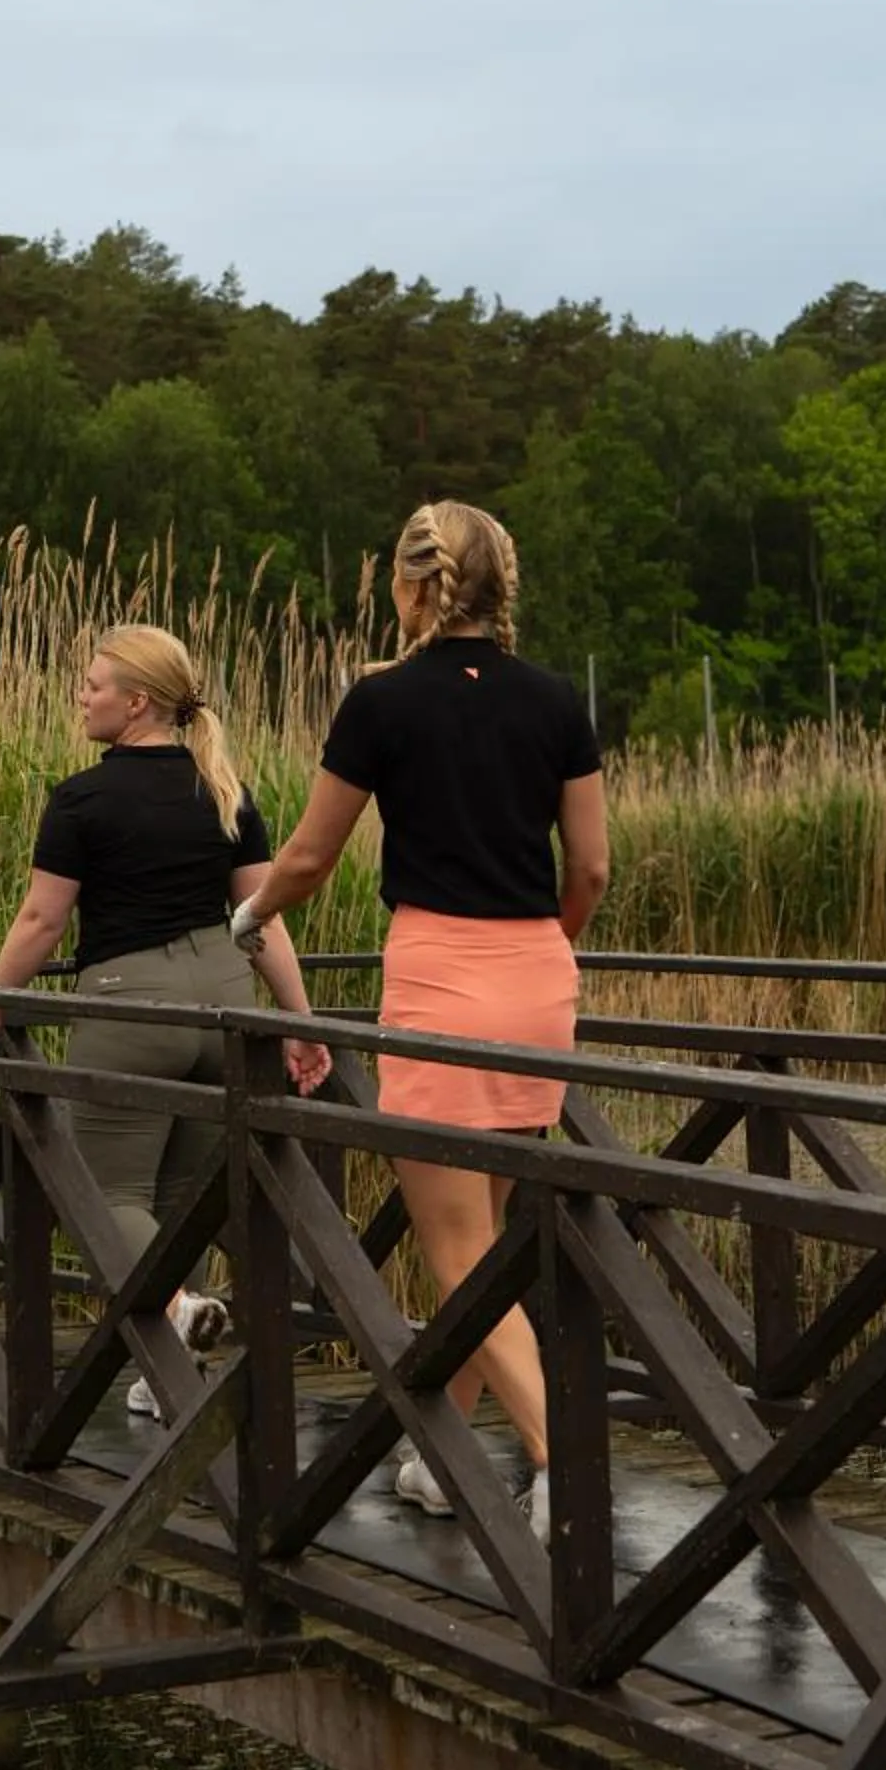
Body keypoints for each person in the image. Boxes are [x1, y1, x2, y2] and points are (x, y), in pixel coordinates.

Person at [227, 501, 608, 1541]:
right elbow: (591, 867)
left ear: (410, 588)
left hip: (439, 973)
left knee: (455, 1250)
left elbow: (305, 856)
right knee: (484, 1237)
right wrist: (550, 943)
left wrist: (249, 915)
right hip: (537, 975)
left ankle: (560, 1459)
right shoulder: (556, 701)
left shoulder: (381, 701)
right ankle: (442, 1457)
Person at [0, 624, 331, 1420]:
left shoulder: (83, 798)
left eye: (93, 685)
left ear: (138, 702)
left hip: (132, 1006)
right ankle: (166, 1372)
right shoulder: (224, 790)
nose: (80, 696)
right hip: (226, 1007)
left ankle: (180, 1316)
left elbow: (39, 922)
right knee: (179, 1198)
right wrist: (301, 1023)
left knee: (102, 1192)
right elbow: (266, 920)